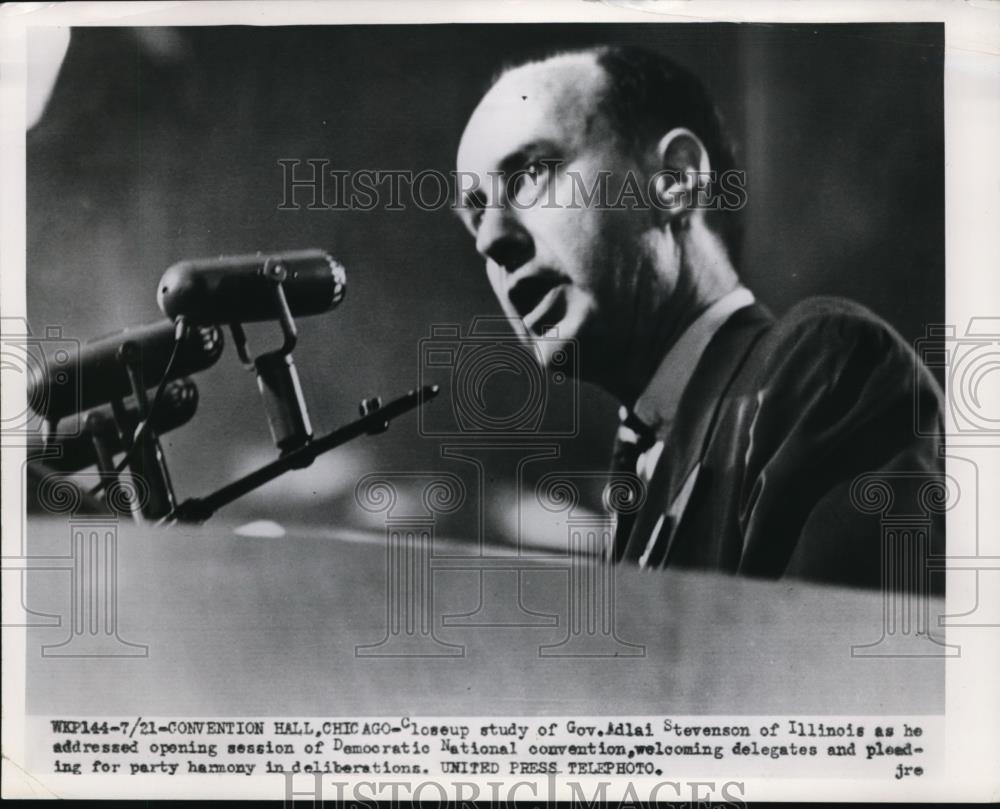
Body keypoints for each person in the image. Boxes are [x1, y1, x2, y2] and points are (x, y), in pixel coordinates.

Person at [454, 45, 945, 590]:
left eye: (527, 176)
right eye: (475, 216)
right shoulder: (638, 481)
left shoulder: (823, 366)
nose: (492, 241)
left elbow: (841, 662)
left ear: (675, 180)